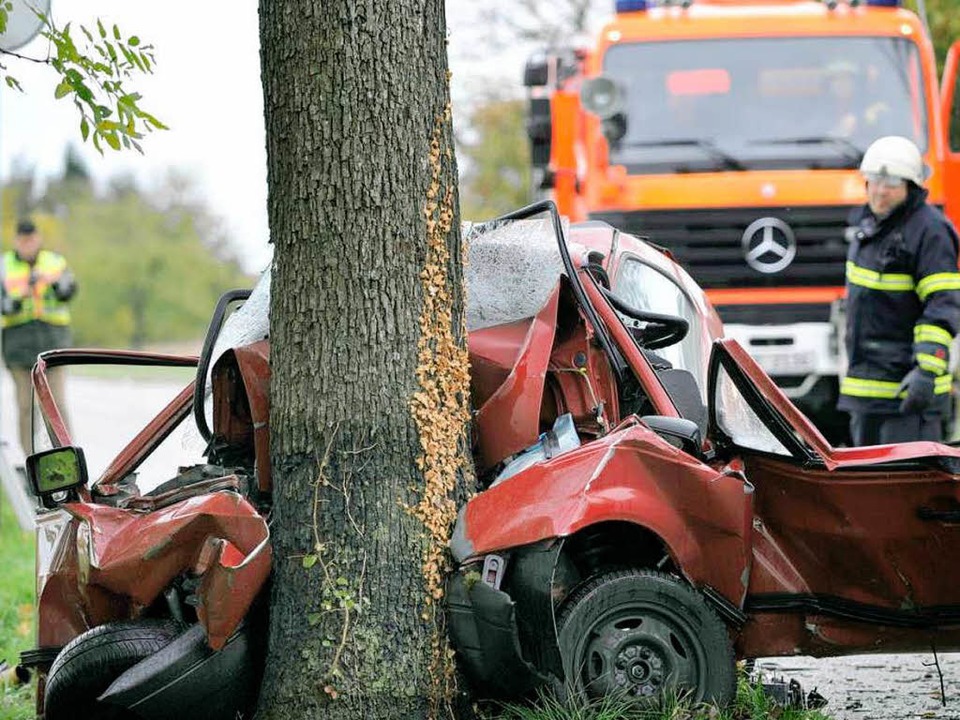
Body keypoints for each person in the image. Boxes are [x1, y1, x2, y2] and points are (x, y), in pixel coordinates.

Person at [838, 136, 960, 445]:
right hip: (866, 394)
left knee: (909, 491)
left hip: (909, 395)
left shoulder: (930, 231)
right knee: (868, 488)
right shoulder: (869, 226)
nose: (879, 191)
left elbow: (943, 305)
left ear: (911, 186)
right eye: (874, 181)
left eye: (890, 183)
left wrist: (927, 371)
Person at [1, 219, 77, 455]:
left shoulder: (54, 262)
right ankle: (30, 459)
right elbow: (4, 306)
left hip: (53, 345)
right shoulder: (5, 265)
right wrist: (21, 294)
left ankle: (67, 455)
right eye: (23, 241)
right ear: (16, 241)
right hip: (18, 346)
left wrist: (52, 283)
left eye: (32, 240)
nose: (28, 245)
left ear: (38, 239)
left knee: (56, 405)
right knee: (26, 407)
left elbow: (69, 291)